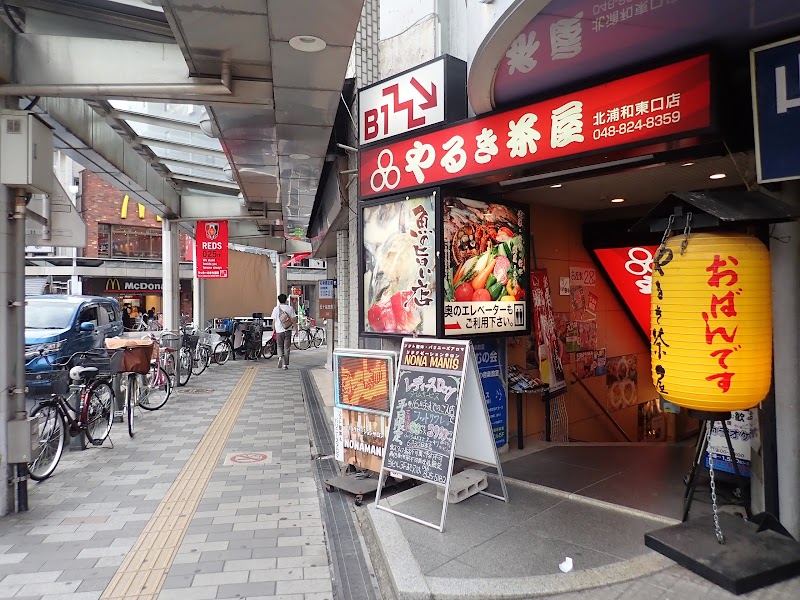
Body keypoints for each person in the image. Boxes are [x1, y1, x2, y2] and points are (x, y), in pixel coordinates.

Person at [270, 293, 296, 370]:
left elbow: (274, 321)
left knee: (279, 346)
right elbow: (294, 320)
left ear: (279, 300)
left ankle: (280, 357)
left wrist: (273, 330)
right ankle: (285, 365)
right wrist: (297, 330)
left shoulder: (276, 309)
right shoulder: (290, 308)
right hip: (287, 330)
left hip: (279, 331)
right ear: (286, 300)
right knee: (287, 348)